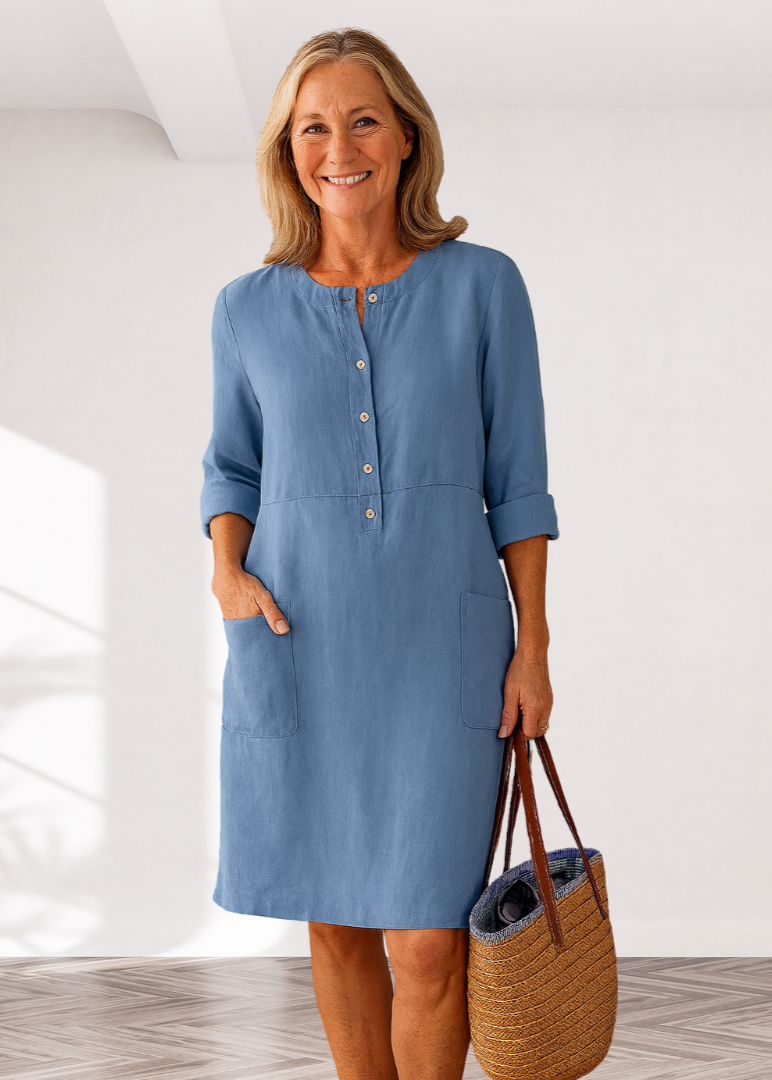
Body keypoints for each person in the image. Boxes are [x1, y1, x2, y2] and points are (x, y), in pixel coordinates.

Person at [200, 27, 559, 1080]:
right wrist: (226, 570)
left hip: (444, 650)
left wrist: (534, 643)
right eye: (313, 127)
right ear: (288, 151)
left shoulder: (484, 286)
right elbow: (230, 467)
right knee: (337, 923)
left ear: (405, 137)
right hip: (297, 641)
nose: (339, 147)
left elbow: (521, 482)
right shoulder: (245, 308)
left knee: (429, 938)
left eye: (363, 120)